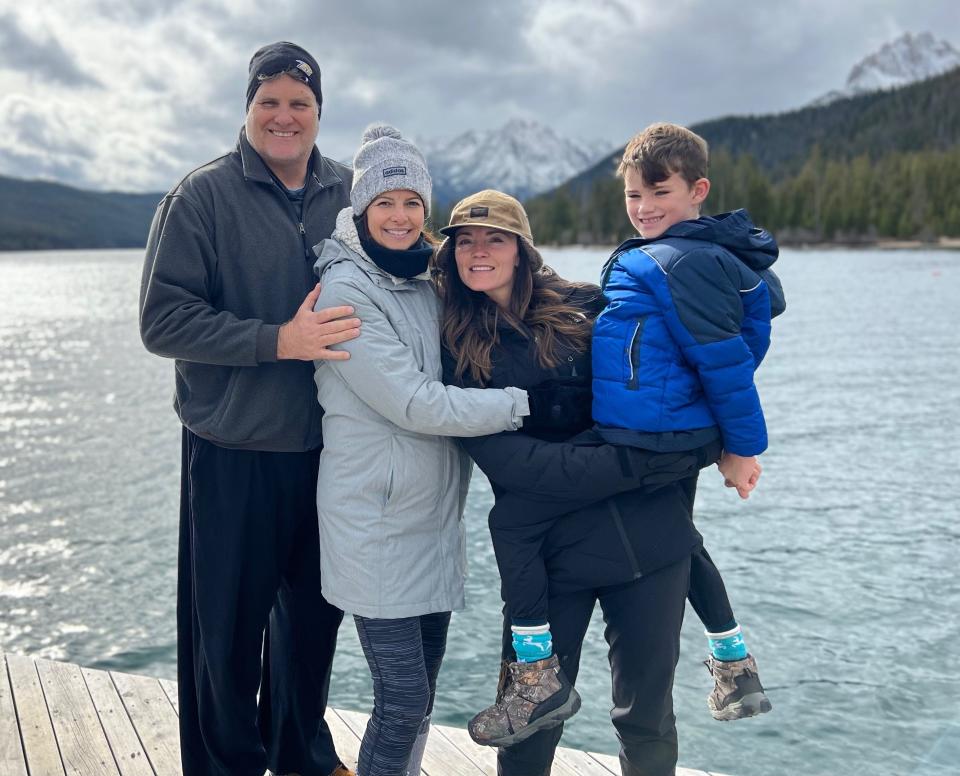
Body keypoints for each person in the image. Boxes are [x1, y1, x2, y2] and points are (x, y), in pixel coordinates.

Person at [437, 189, 719, 775]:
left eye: (495, 238)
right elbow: (511, 465)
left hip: (651, 547)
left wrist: (697, 449)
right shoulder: (454, 349)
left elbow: (674, 390)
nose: (479, 250)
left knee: (647, 719)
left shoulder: (592, 308)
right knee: (529, 723)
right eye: (465, 240)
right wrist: (635, 466)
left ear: (523, 249)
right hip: (550, 562)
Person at [140, 42, 359, 776]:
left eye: (299, 102)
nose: (284, 116)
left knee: (311, 630)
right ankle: (223, 766)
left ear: (319, 112)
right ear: (248, 109)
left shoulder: (353, 194)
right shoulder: (200, 197)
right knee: (225, 638)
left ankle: (301, 756)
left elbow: (410, 277)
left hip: (332, 452)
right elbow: (162, 322)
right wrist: (279, 341)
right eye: (269, 101)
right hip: (232, 448)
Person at [310, 125, 531, 776]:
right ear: (361, 209)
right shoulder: (347, 291)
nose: (401, 216)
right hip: (373, 527)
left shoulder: (431, 281)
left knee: (420, 698)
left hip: (433, 522)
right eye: (386, 203)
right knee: (402, 700)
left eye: (412, 203)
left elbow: (501, 318)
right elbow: (413, 403)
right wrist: (520, 406)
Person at [594, 122, 784, 721]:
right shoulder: (679, 256)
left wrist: (742, 448)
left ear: (698, 190)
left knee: (666, 537)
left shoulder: (683, 261)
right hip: (662, 421)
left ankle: (733, 666)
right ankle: (732, 659)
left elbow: (724, 361)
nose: (644, 208)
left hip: (659, 431)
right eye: (633, 196)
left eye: (660, 193)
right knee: (676, 536)